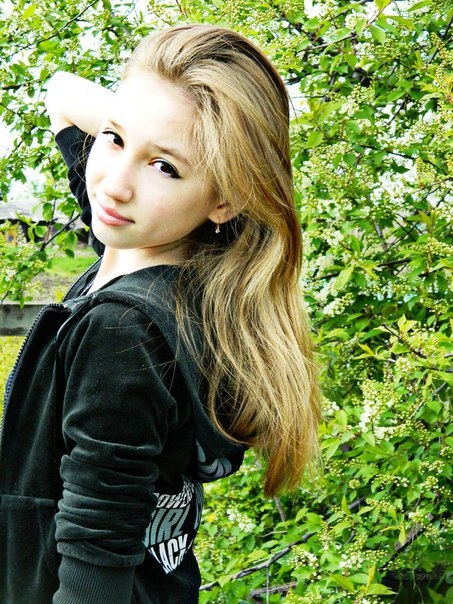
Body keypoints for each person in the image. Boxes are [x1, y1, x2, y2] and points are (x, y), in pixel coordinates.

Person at [0, 23, 321, 604]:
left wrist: (145, 130)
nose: (114, 185)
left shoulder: (122, 331)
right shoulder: (172, 270)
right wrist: (154, 132)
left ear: (225, 198)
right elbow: (60, 91)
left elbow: (94, 565)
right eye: (113, 139)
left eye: (165, 168)